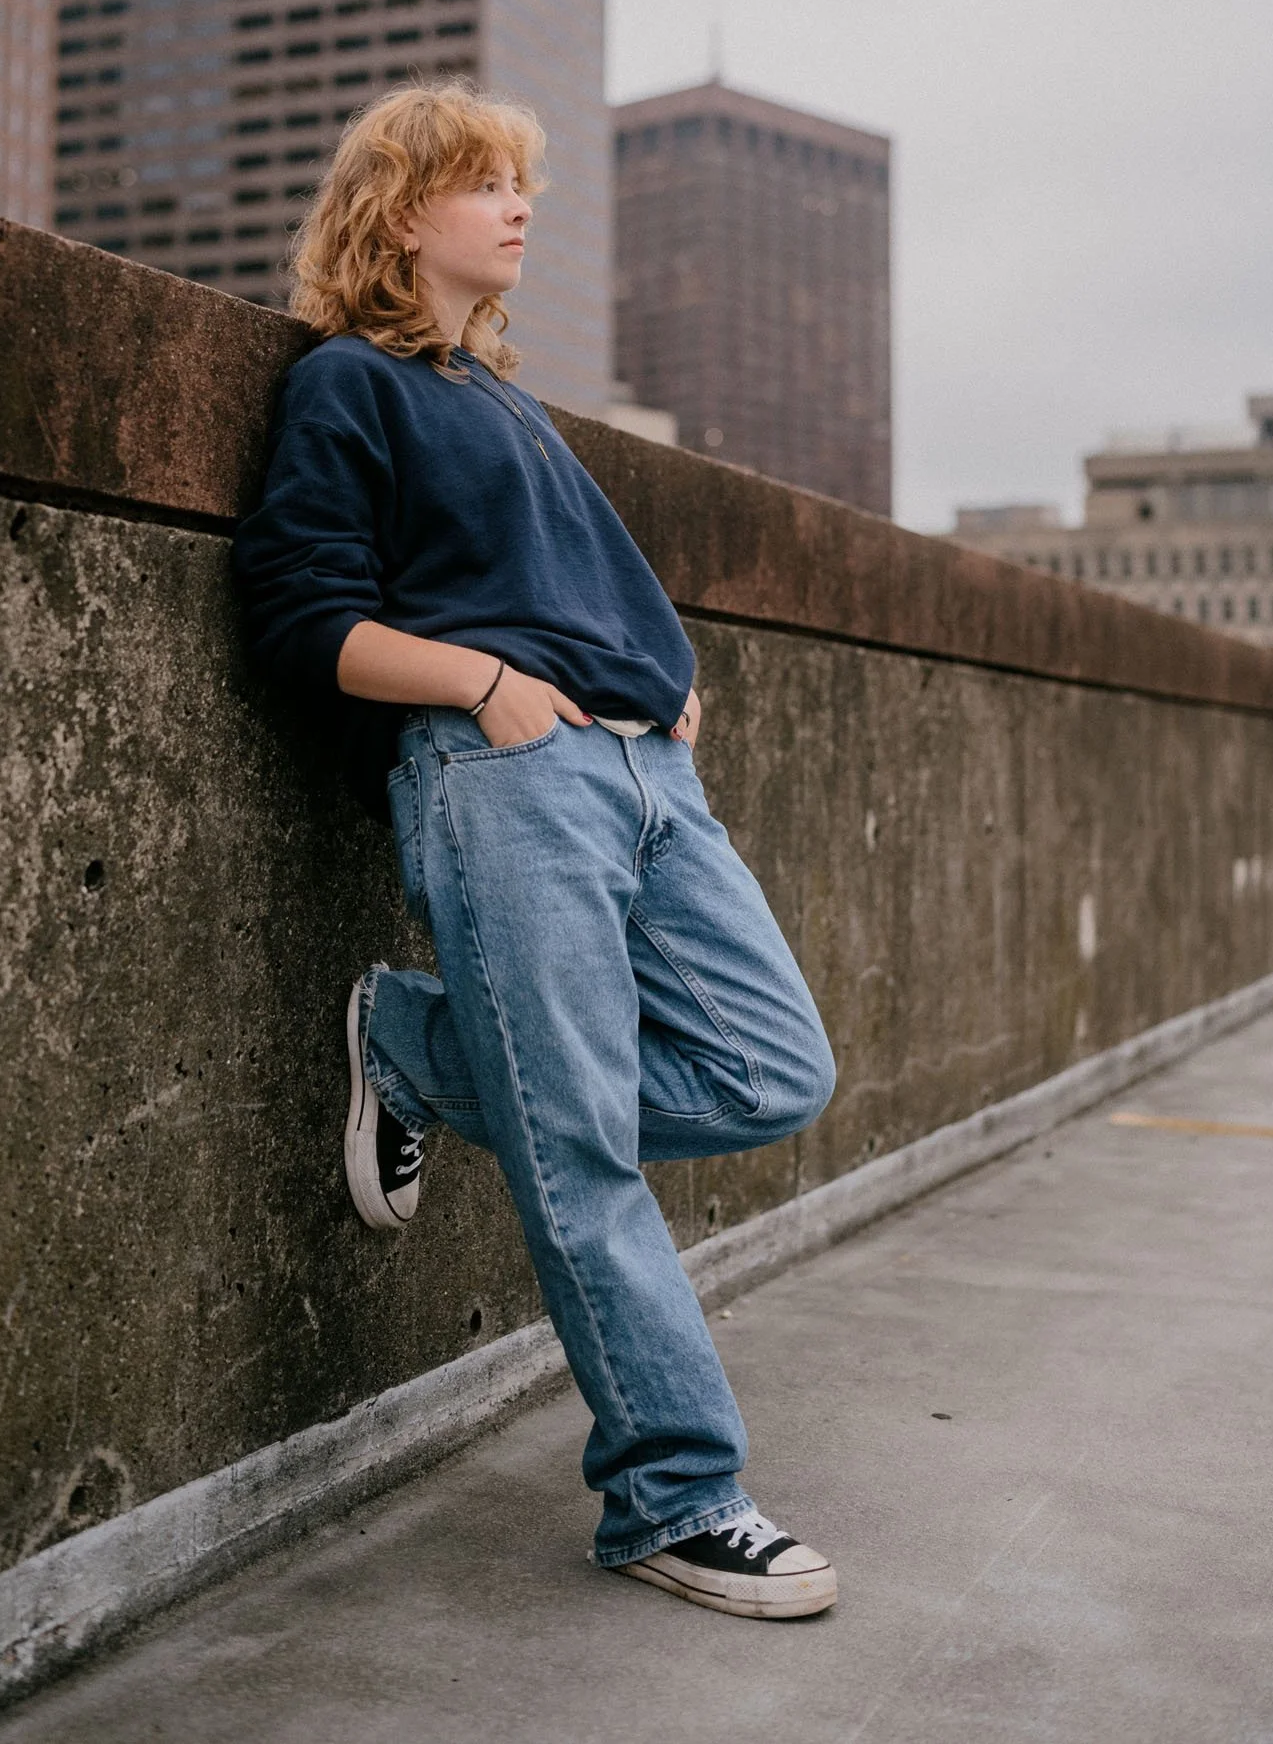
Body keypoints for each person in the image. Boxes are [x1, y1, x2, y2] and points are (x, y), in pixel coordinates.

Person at [232, 82, 839, 1620]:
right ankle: (672, 1496)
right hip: (503, 774)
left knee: (774, 1071)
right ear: (397, 212)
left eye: (522, 183)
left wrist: (663, 680)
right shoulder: (348, 385)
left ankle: (417, 1048)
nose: (519, 207)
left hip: (643, 777)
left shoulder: (501, 399)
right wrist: (485, 686)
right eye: (486, 182)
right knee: (577, 1146)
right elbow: (302, 618)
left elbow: (579, 585)